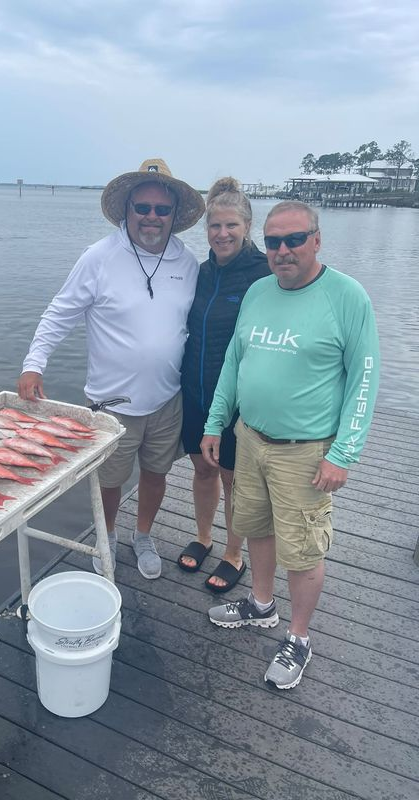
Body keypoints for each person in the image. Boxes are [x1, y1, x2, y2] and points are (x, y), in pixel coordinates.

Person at [200, 200, 379, 689]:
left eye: (294, 239)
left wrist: (343, 453)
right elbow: (234, 364)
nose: (283, 251)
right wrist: (216, 423)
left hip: (306, 450)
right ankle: (261, 605)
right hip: (250, 438)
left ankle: (298, 638)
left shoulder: (347, 296)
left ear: (316, 239)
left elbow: (365, 379)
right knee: (255, 526)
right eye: (274, 241)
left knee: (302, 551)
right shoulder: (258, 291)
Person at [18, 159, 205, 580]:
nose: (152, 217)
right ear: (127, 210)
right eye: (142, 207)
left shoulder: (187, 262)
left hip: (167, 399)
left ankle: (143, 535)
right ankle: (108, 538)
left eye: (162, 209)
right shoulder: (99, 257)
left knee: (156, 474)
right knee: (109, 481)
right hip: (111, 403)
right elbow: (60, 312)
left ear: (175, 215)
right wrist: (34, 365)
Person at [178, 177, 270, 591]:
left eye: (231, 225)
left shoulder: (264, 273)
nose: (223, 234)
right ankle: (203, 537)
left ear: (247, 226)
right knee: (202, 469)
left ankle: (234, 554)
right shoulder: (201, 273)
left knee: (233, 478)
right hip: (195, 391)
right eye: (215, 226)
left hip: (236, 401)